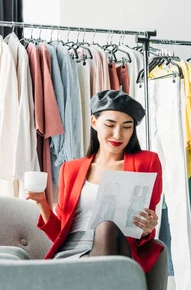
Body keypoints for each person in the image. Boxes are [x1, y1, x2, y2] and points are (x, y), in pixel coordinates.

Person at [25, 90, 163, 274]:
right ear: (94, 122)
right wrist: (41, 202)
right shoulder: (71, 169)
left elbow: (145, 230)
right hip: (71, 254)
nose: (117, 134)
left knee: (106, 228)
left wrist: (147, 228)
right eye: (110, 125)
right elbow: (60, 234)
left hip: (118, 251)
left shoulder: (147, 162)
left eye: (126, 127)